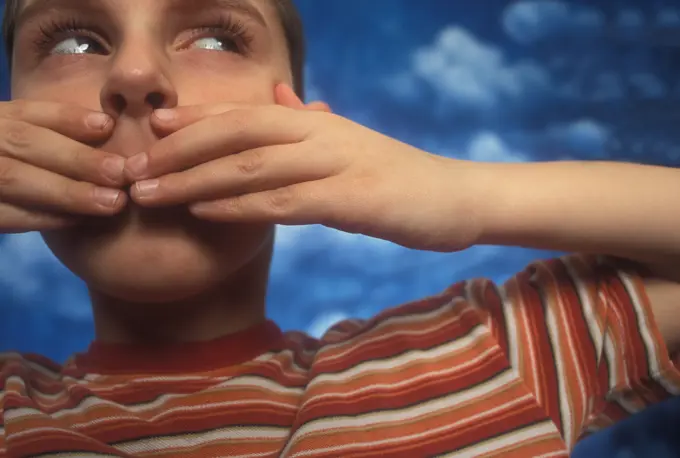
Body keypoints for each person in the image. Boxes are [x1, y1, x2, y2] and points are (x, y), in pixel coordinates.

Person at [0, 0, 679, 456]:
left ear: (300, 117)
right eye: (74, 40)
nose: (134, 74)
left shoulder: (482, 360)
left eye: (215, 36)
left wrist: (461, 194)